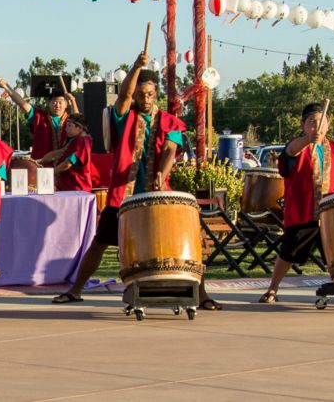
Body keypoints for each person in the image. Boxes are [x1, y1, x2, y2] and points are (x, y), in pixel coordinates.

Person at [53, 49, 221, 310]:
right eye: (141, 94)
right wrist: (134, 67)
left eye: (150, 94)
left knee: (183, 243)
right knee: (99, 243)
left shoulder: (170, 121)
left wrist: (161, 174)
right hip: (124, 195)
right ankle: (75, 290)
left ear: (157, 95)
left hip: (158, 195)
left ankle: (202, 294)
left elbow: (170, 150)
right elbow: (124, 95)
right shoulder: (124, 116)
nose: (145, 98)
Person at [259, 103, 334, 303]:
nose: (317, 127)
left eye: (321, 122)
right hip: (304, 212)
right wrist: (308, 140)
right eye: (312, 123)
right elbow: (289, 153)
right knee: (289, 251)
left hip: (330, 214)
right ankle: (273, 289)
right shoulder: (298, 146)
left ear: (328, 125)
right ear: (303, 125)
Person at [0, 77, 79, 165]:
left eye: (60, 102)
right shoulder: (40, 117)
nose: (57, 105)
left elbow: (78, 120)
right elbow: (22, 104)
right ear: (49, 103)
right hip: (42, 167)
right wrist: (7, 87)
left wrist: (73, 100)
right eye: (54, 102)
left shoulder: (70, 121)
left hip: (65, 168)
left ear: (66, 104)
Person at [50, 114, 98, 192]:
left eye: (69, 126)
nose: (66, 129)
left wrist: (51, 172)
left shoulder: (82, 141)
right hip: (71, 187)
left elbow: (69, 163)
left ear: (79, 128)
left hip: (76, 187)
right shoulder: (81, 140)